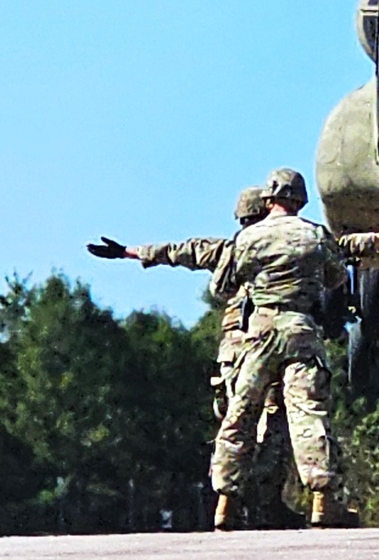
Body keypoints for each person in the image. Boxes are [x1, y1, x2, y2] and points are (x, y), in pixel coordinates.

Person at [208, 167, 379, 529]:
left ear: (268, 198)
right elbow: (337, 277)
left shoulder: (246, 239)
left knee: (241, 414)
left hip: (258, 334)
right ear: (300, 199)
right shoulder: (314, 235)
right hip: (300, 330)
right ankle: (322, 502)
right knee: (308, 415)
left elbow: (221, 286)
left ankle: (225, 504)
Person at [86, 187, 298, 528]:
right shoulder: (287, 250)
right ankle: (264, 503)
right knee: (272, 424)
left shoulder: (226, 251)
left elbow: (179, 251)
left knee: (234, 424)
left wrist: (130, 252)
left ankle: (231, 501)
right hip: (267, 344)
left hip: (234, 354)